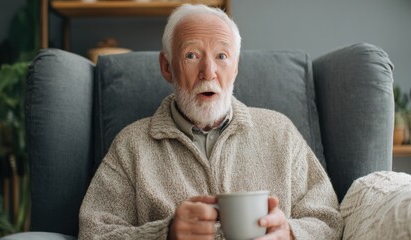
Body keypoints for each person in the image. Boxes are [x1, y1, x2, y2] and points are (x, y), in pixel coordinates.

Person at [79, 4, 343, 240]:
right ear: (167, 67)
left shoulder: (280, 132)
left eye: (222, 56)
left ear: (236, 66)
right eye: (192, 55)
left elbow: (329, 220)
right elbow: (94, 233)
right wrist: (164, 234)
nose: (209, 72)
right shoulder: (131, 145)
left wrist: (291, 234)